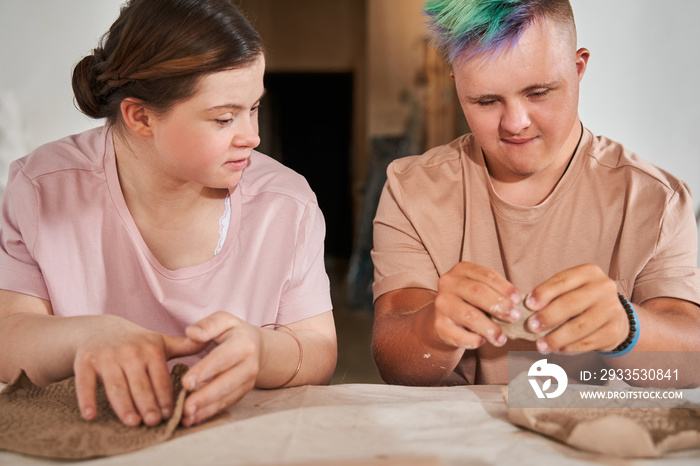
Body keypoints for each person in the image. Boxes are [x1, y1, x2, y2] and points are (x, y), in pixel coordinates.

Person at [0, 0, 336, 427]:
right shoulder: (42, 187)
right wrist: (84, 338)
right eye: (224, 118)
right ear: (140, 116)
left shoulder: (287, 204)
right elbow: (8, 338)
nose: (251, 136)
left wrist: (263, 352)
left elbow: (318, 349)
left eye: (254, 108)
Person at [371, 0, 700, 386]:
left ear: (578, 70)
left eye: (539, 93)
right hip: (461, 440)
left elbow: (690, 365)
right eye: (486, 101)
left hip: (595, 435)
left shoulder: (655, 200)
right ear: (457, 86)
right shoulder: (412, 190)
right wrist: (433, 329)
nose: (515, 123)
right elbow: (394, 363)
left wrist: (628, 327)